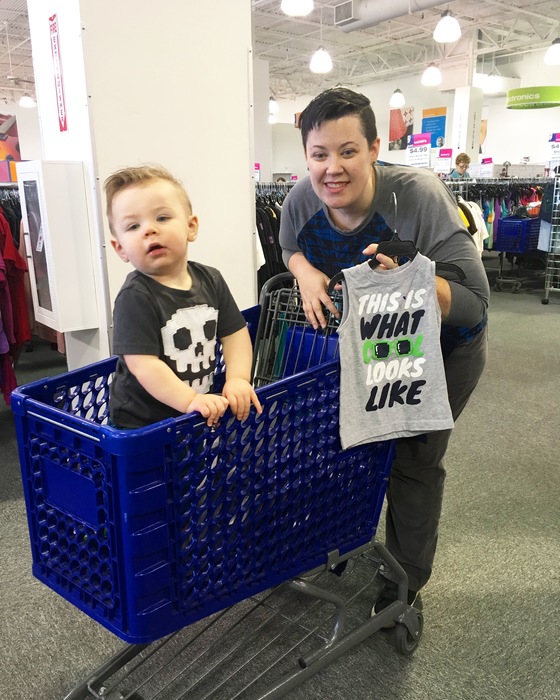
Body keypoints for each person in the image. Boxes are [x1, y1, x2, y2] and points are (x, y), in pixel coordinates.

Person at [279, 87, 489, 618]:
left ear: (374, 147)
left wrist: (418, 283)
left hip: (443, 353)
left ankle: (402, 587)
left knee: (412, 463)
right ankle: (338, 542)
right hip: (370, 346)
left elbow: (474, 305)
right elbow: (288, 246)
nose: (332, 169)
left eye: (348, 151)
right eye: (319, 155)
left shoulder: (417, 196)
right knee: (342, 444)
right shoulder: (302, 198)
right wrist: (303, 271)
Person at [105, 164, 262, 429]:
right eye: (133, 226)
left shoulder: (211, 279)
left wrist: (238, 378)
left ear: (191, 227)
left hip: (193, 414)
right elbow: (144, 365)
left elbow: (235, 334)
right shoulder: (135, 296)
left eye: (162, 218)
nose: (149, 230)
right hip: (142, 423)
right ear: (120, 249)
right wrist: (189, 400)